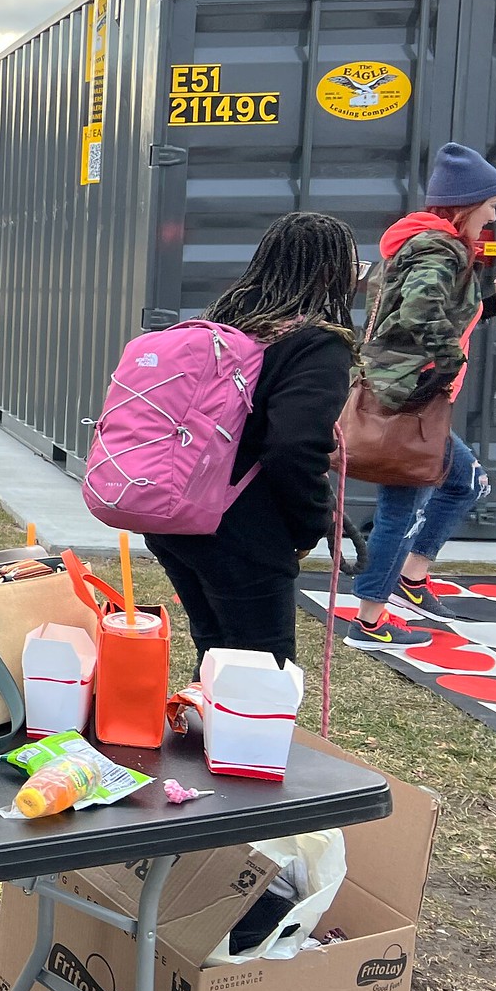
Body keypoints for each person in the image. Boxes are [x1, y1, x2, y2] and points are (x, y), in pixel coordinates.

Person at [144, 212, 358, 666]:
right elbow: (293, 445)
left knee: (216, 655)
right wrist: (308, 525)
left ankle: (207, 736)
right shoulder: (316, 343)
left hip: (173, 518)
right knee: (263, 674)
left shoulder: (220, 320)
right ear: (331, 272)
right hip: (243, 532)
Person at [347, 143, 496, 649]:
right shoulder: (440, 250)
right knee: (406, 506)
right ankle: (370, 620)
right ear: (467, 205)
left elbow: (411, 305)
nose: (493, 215)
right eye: (490, 205)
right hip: (414, 399)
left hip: (405, 393)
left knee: (463, 484)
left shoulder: (418, 244)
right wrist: (452, 360)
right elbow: (418, 312)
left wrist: (488, 304)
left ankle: (411, 581)